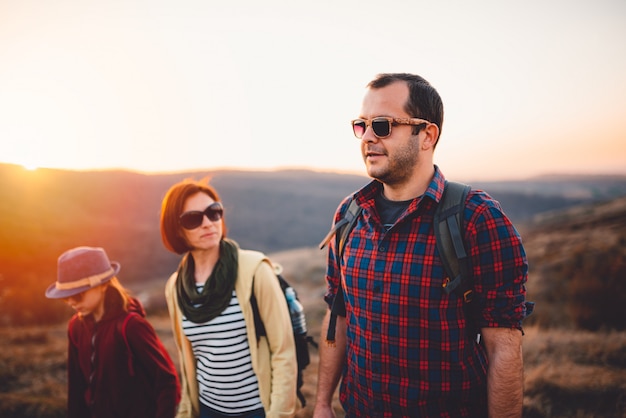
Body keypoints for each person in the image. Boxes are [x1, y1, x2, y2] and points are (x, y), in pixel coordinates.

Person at [313, 73, 531, 418]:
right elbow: (337, 315)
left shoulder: (476, 218)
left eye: (383, 125)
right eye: (361, 125)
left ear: (427, 135)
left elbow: (503, 347)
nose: (368, 137)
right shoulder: (349, 214)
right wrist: (323, 403)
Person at [160, 178, 297, 418]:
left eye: (214, 213)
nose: (207, 223)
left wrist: (279, 414)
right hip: (208, 409)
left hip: (256, 410)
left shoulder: (255, 270)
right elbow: (188, 359)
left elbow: (283, 351)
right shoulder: (175, 287)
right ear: (176, 228)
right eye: (193, 219)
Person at [45, 246, 181, 418]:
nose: (71, 301)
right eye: (66, 296)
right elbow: (76, 387)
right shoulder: (75, 327)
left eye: (78, 294)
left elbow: (166, 381)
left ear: (103, 285)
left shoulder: (131, 326)